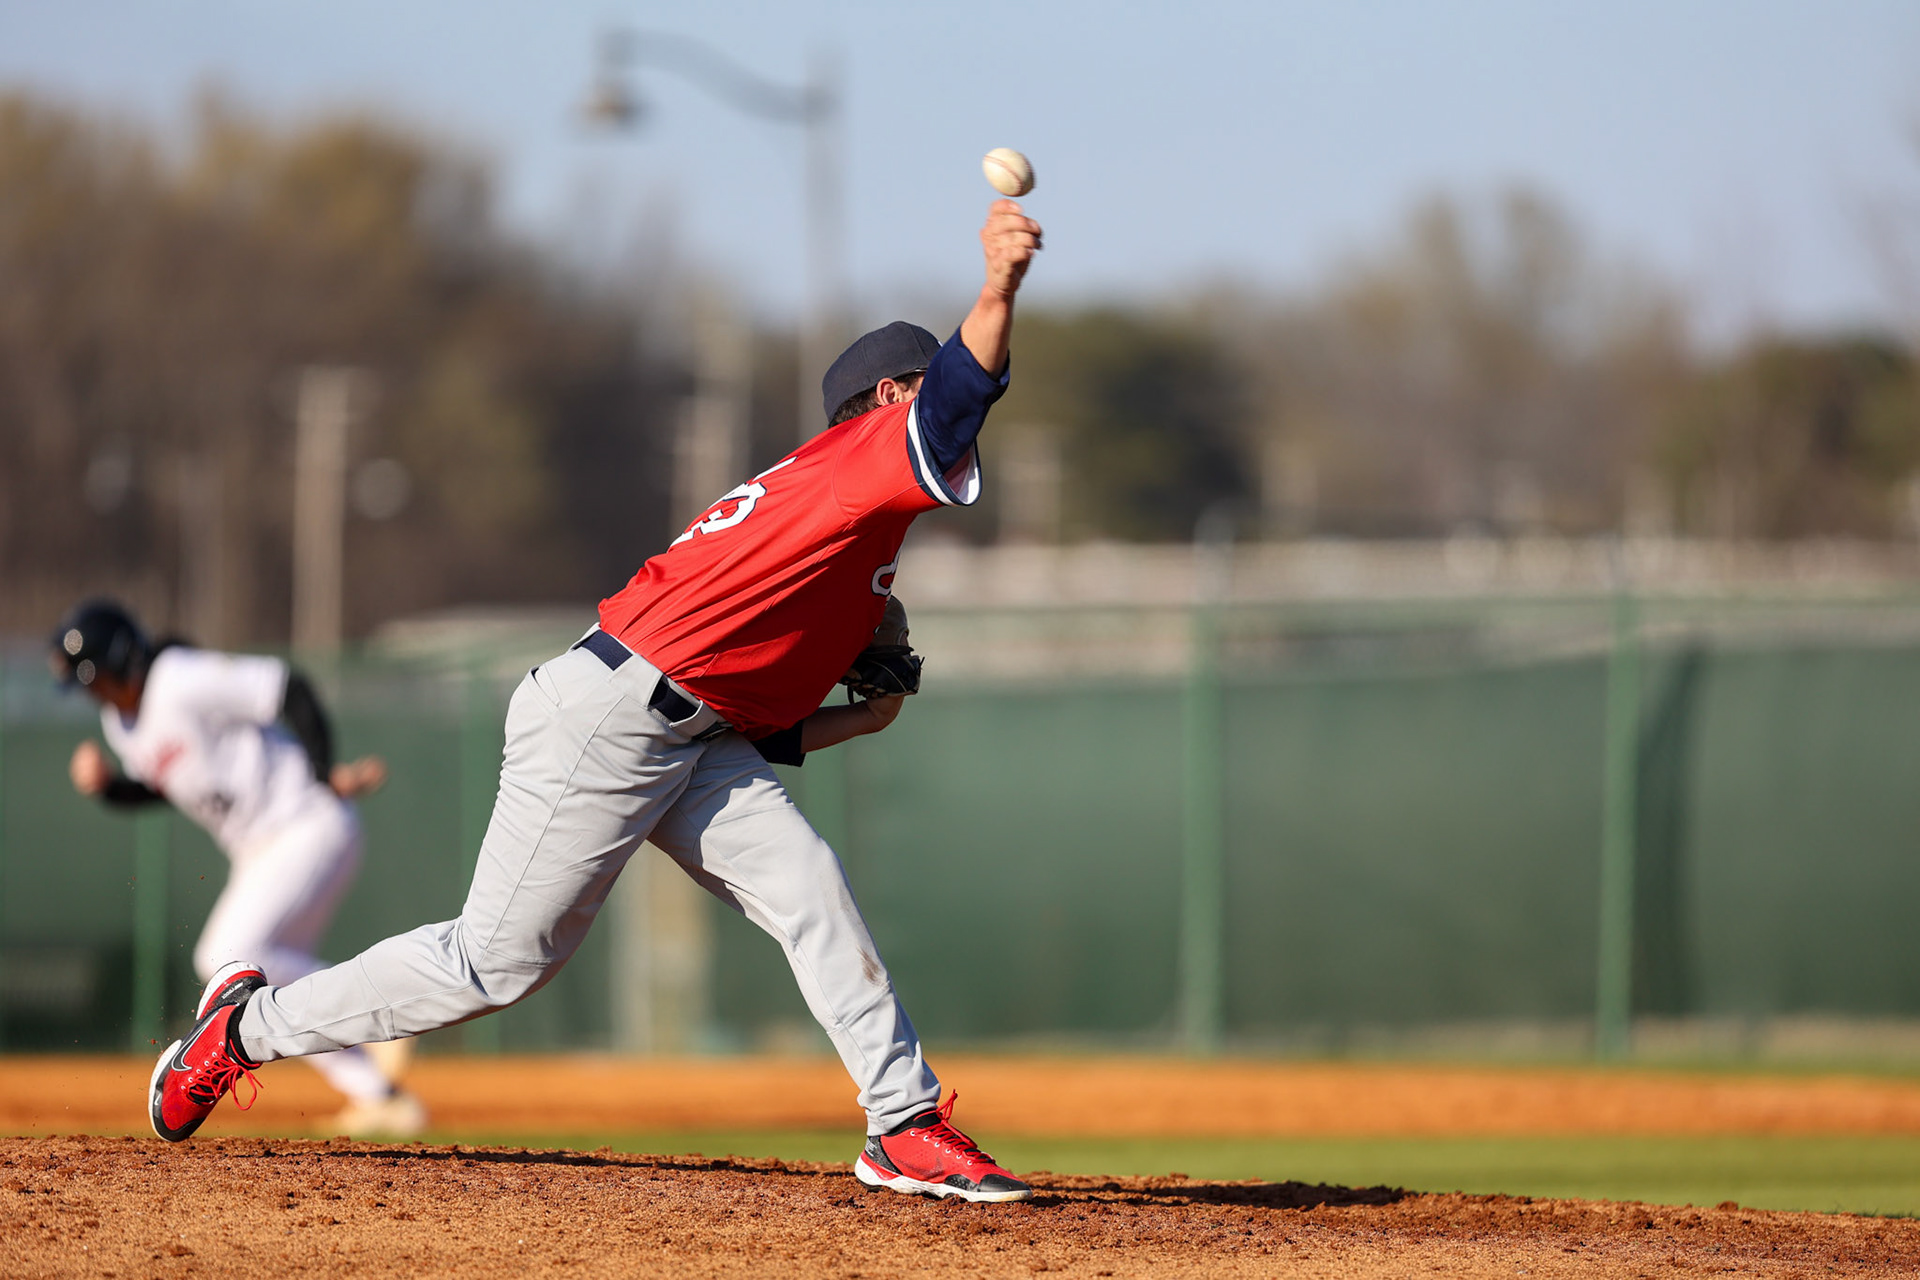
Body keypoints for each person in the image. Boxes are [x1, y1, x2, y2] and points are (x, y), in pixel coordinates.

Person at [147, 197, 1044, 1203]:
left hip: (681, 727)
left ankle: (902, 1123)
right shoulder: (856, 461)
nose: (945, 426)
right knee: (488, 966)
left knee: (809, 890)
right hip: (608, 716)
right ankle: (242, 1026)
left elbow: (747, 719)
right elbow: (960, 397)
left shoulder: (840, 544)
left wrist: (861, 715)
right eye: (920, 394)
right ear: (887, 397)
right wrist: (999, 288)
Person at [51, 600, 427, 1137]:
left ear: (122, 659)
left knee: (226, 957)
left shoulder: (176, 677)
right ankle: (379, 1084)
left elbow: (285, 687)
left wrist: (322, 771)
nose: (96, 695)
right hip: (262, 851)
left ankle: (378, 1035)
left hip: (306, 824)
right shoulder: (122, 726)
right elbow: (163, 786)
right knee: (258, 969)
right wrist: (110, 788)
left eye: (98, 681)